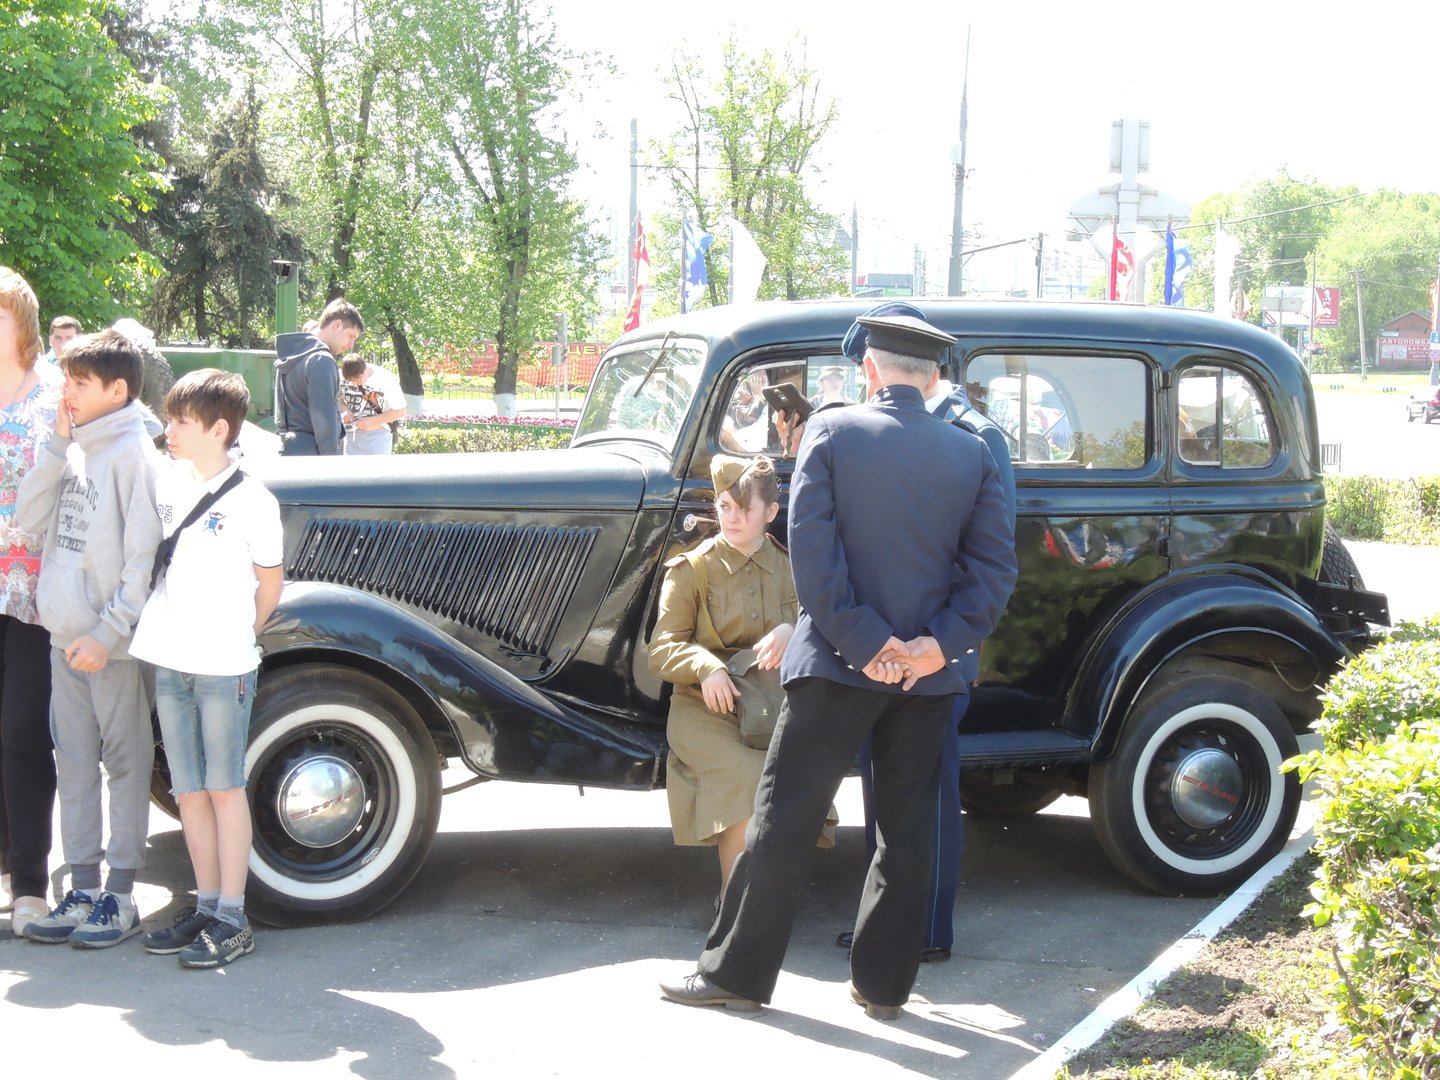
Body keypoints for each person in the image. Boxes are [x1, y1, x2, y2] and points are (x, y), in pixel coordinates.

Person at [659, 312, 1017, 1020]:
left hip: (836, 669)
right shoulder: (971, 452)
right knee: (906, 832)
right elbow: (992, 572)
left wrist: (868, 644)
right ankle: (884, 987)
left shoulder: (832, 431)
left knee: (782, 819)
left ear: (871, 370)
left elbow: (815, 563)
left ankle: (736, 972)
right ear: (935, 376)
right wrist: (931, 648)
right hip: (928, 677)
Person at [836, 301, 1018, 964]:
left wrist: (933, 648)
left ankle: (925, 929)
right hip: (878, 652)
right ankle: (886, 919)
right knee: (883, 793)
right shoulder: (890, 429)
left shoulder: (974, 436)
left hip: (936, 655)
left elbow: (986, 562)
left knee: (927, 797)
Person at [14, 329, 162, 947]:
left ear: (117, 389)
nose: (65, 391)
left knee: (124, 764)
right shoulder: (73, 445)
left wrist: (108, 632)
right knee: (73, 763)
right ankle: (80, 888)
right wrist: (55, 444)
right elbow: (26, 522)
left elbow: (143, 560)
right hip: (63, 638)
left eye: (78, 382)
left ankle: (120, 896)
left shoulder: (134, 453)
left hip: (111, 645)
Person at [130, 369, 283, 968]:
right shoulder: (167, 482)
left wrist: (243, 634)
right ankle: (208, 902)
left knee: (223, 787)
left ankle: (232, 917)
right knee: (188, 789)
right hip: (170, 656)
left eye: (180, 422)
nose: (168, 430)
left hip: (223, 665)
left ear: (219, 429)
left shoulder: (253, 501)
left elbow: (269, 584)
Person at [649, 455, 833, 898]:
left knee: (786, 785)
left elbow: (831, 626)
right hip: (708, 709)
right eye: (724, 506)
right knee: (752, 783)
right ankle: (737, 905)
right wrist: (706, 666)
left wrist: (795, 630)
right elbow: (662, 648)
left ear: (771, 513)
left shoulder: (796, 568)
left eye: (744, 509)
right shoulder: (693, 570)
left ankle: (759, 902)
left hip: (777, 706)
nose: (731, 518)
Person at [0, 268, 64, 934]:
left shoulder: (52, 400)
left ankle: (30, 885)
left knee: (20, 733)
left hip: (35, 592)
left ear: (22, 322)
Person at [273, 298, 364, 456]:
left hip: (290, 452)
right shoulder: (321, 360)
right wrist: (331, 466)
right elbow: (324, 423)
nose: (351, 345)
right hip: (315, 461)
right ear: (336, 325)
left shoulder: (293, 355)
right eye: (351, 336)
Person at [340, 357, 407, 455]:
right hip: (349, 438)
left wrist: (370, 421)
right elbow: (338, 400)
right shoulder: (340, 376)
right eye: (350, 380)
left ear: (365, 369)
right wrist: (344, 410)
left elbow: (400, 411)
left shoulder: (385, 379)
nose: (355, 383)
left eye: (358, 378)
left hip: (378, 440)